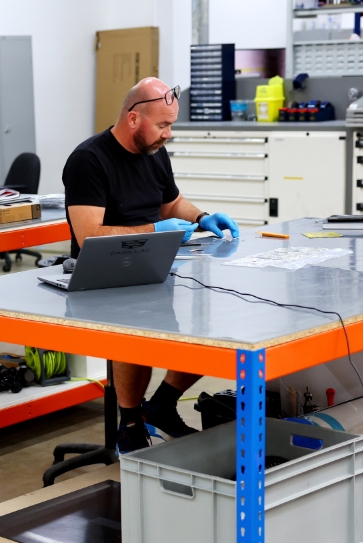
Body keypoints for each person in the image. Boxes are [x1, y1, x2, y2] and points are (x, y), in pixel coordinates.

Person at [62, 77, 240, 453]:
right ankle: (129, 424)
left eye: (170, 125)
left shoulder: (154, 151)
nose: (168, 134)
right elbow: (88, 235)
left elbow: (171, 203)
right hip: (103, 276)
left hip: (152, 264)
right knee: (136, 332)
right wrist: (153, 231)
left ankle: (160, 406)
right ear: (133, 119)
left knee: (209, 331)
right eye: (162, 125)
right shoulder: (88, 160)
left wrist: (202, 217)